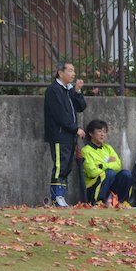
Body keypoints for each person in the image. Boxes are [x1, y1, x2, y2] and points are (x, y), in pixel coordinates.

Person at [43, 61, 87, 207]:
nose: (73, 74)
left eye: (73, 71)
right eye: (70, 70)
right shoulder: (53, 90)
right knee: (60, 165)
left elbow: (81, 107)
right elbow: (60, 115)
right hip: (59, 135)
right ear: (60, 72)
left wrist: (78, 91)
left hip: (69, 136)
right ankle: (56, 197)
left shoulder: (69, 90)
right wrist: (75, 129)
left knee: (67, 166)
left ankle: (62, 196)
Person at [80, 119, 132, 206]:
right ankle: (99, 202)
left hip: (110, 182)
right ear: (91, 133)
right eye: (99, 131)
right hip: (93, 188)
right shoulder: (86, 150)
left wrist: (101, 166)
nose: (102, 134)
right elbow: (92, 172)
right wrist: (108, 167)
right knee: (109, 173)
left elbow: (118, 165)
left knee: (126, 174)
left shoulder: (108, 148)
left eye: (104, 132)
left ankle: (122, 202)